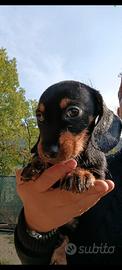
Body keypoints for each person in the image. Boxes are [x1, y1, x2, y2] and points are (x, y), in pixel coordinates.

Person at [14, 81, 122, 265]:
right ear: (120, 112)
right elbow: (33, 260)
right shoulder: (107, 170)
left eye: (73, 112)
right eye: (40, 115)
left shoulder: (96, 168)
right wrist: (35, 228)